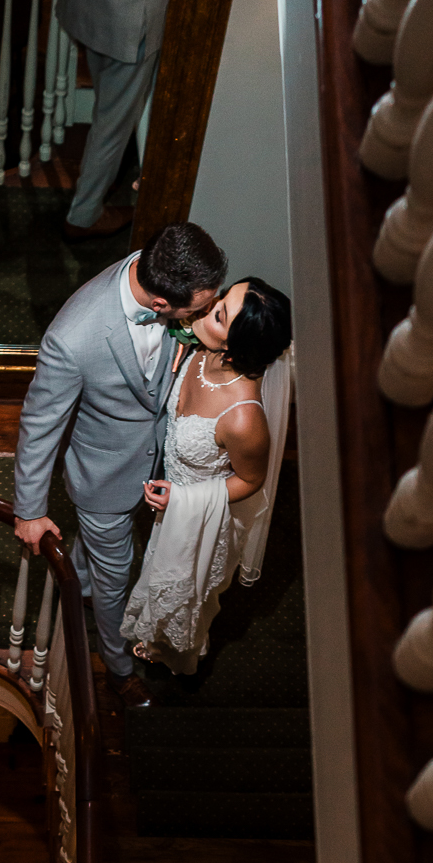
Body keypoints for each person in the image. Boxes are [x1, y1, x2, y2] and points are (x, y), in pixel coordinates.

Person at [13, 221, 226, 708]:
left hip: (162, 455)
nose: (203, 317)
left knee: (97, 567)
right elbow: (39, 425)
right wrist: (29, 510)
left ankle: (80, 583)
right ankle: (117, 668)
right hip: (103, 480)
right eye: (196, 312)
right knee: (116, 582)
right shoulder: (72, 338)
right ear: (161, 304)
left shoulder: (157, 270)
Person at [121, 276, 294, 676]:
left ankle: (176, 655)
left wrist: (182, 500)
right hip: (170, 507)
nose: (209, 305)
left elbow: (251, 481)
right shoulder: (202, 348)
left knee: (186, 596)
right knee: (155, 574)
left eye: (220, 314)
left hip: (203, 522)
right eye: (224, 297)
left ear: (234, 348)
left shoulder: (244, 419)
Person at [25, 0, 180, 240]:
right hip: (132, 8)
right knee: (112, 123)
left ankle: (108, 176)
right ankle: (84, 215)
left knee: (109, 109)